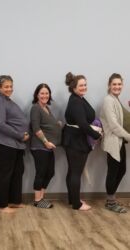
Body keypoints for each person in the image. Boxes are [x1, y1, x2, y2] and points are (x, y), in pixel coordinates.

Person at [0, 75, 29, 213]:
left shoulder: (8, 101)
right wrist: (19, 135)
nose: (9, 89)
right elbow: (0, 124)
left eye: (11, 86)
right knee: (5, 173)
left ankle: (14, 200)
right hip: (5, 143)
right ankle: (1, 205)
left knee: (18, 171)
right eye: (6, 86)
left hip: (15, 144)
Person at [62, 72, 101, 211]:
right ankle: (77, 204)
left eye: (85, 84)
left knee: (73, 171)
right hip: (75, 141)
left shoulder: (78, 98)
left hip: (75, 139)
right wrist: (97, 135)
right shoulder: (76, 102)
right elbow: (83, 124)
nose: (84, 87)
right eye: (81, 85)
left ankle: (73, 199)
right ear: (73, 87)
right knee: (75, 172)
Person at [100, 73, 130, 213]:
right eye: (114, 84)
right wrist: (129, 136)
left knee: (121, 170)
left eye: (119, 84)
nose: (117, 86)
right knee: (113, 171)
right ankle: (110, 202)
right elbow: (113, 125)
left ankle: (111, 199)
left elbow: (123, 119)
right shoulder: (108, 100)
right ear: (109, 85)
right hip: (113, 142)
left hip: (120, 142)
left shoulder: (116, 99)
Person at [30, 83, 62, 208]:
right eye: (42, 93)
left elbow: (48, 124)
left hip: (48, 147)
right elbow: (36, 128)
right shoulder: (35, 108)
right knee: (41, 172)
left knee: (50, 172)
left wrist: (57, 124)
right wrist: (45, 142)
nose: (45, 95)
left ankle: (41, 198)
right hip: (40, 146)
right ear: (37, 95)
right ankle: (37, 200)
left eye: (47, 93)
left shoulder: (47, 108)